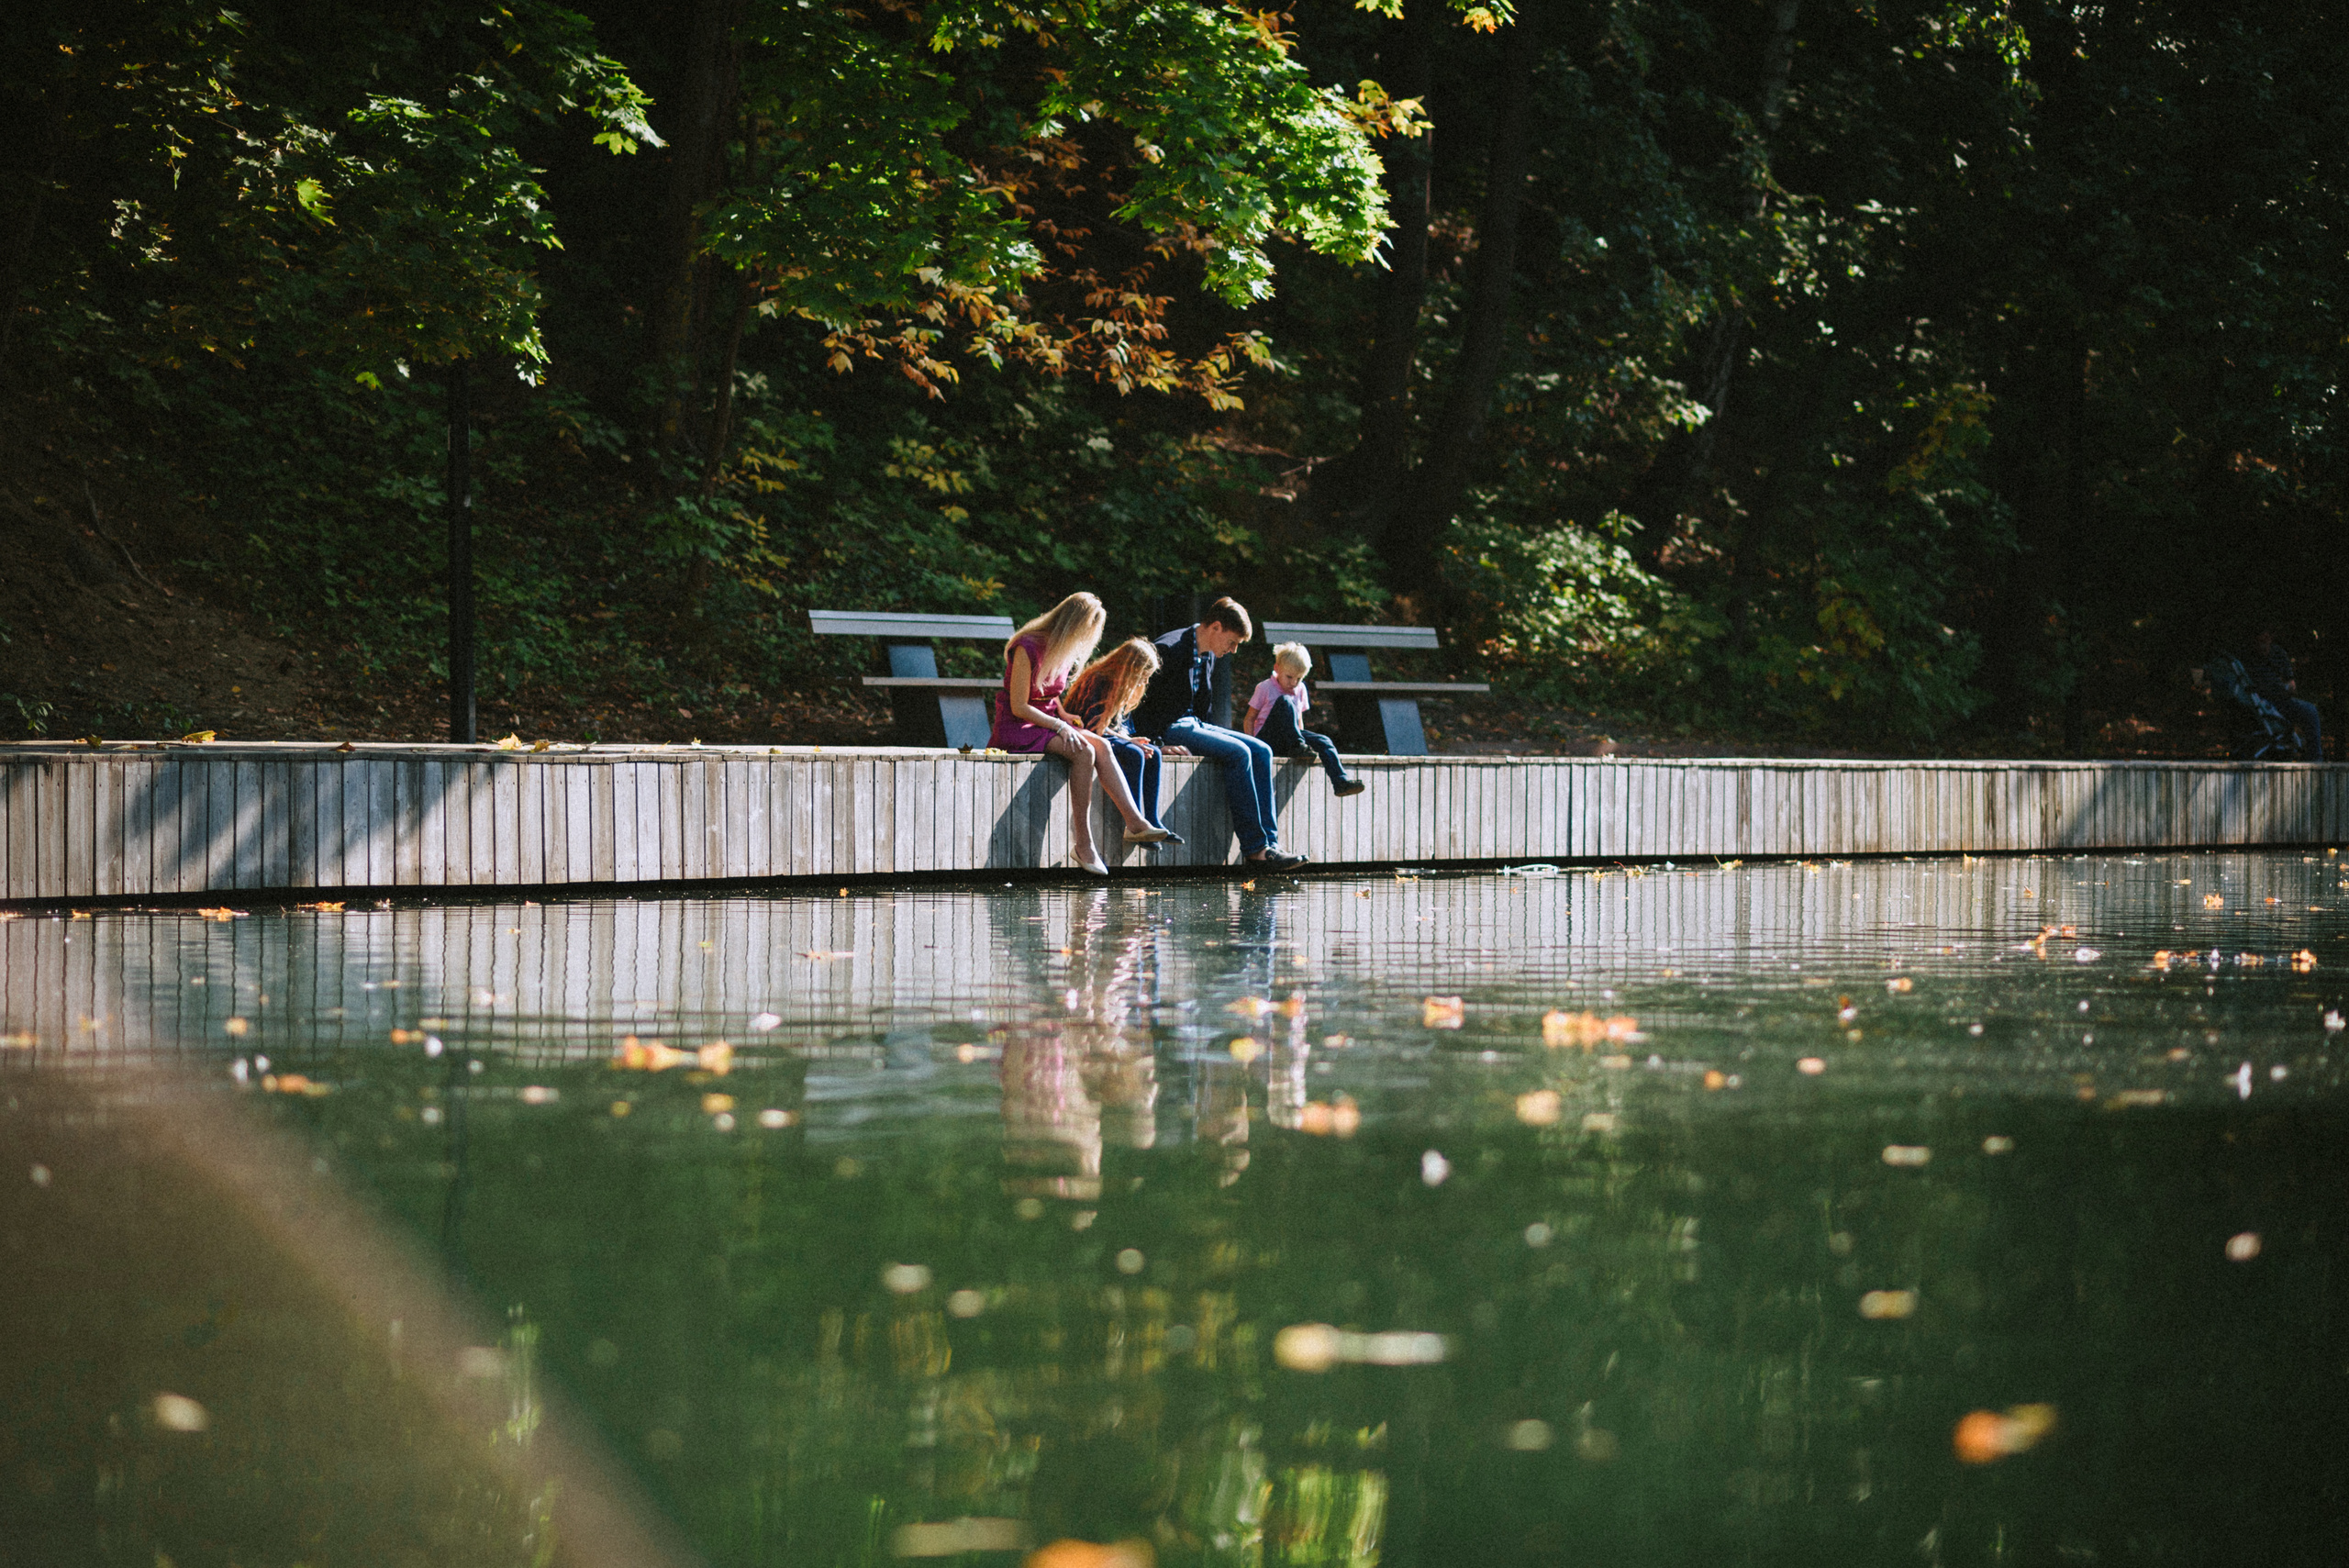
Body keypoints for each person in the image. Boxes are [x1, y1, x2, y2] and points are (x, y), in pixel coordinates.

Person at [992, 593, 1173, 874]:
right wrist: (1060, 725)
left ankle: (1135, 821)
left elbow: (1049, 692)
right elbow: (1019, 705)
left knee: (1101, 745)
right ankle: (1084, 844)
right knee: (1084, 751)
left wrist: (1063, 714)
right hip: (1018, 726)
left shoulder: (1061, 648)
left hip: (1047, 721)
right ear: (1072, 624)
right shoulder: (1026, 647)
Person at [1128, 596, 1306, 872]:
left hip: (1193, 723)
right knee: (1238, 752)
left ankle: (1271, 844)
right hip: (1169, 728)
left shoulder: (1208, 652)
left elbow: (1202, 708)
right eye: (1232, 642)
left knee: (1261, 750)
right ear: (1216, 628)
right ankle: (1256, 850)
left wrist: (1212, 735)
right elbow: (1139, 703)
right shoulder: (1169, 649)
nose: (1233, 650)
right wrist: (1157, 744)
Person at [1063, 637, 1183, 846]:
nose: (1145, 683)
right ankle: (1134, 824)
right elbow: (1094, 726)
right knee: (1134, 753)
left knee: (1151, 752)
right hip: (1086, 733)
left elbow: (1117, 725)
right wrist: (1127, 742)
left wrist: (1130, 738)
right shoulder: (1098, 680)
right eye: (1142, 677)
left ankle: (1152, 819)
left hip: (1107, 734)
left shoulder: (1122, 686)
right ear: (1130, 670)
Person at [1243, 641, 1365, 796]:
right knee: (1285, 702)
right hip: (1267, 739)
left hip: (1290, 740)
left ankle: (1340, 782)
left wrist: (1303, 740)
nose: (1294, 683)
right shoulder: (1265, 688)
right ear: (1277, 669)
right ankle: (1297, 745)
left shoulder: (1300, 689)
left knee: (1324, 740)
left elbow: (1298, 720)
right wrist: (1252, 747)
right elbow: (1249, 718)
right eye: (1289, 677)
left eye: (1299, 678)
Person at [2246, 627, 2323, 761]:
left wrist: (2288, 689)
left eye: (2266, 639)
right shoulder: (2248, 659)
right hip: (2262, 704)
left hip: (2282, 700)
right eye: (2260, 641)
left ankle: (2315, 757)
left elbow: (2291, 682)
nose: (2264, 644)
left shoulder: (2278, 653)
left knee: (2310, 711)